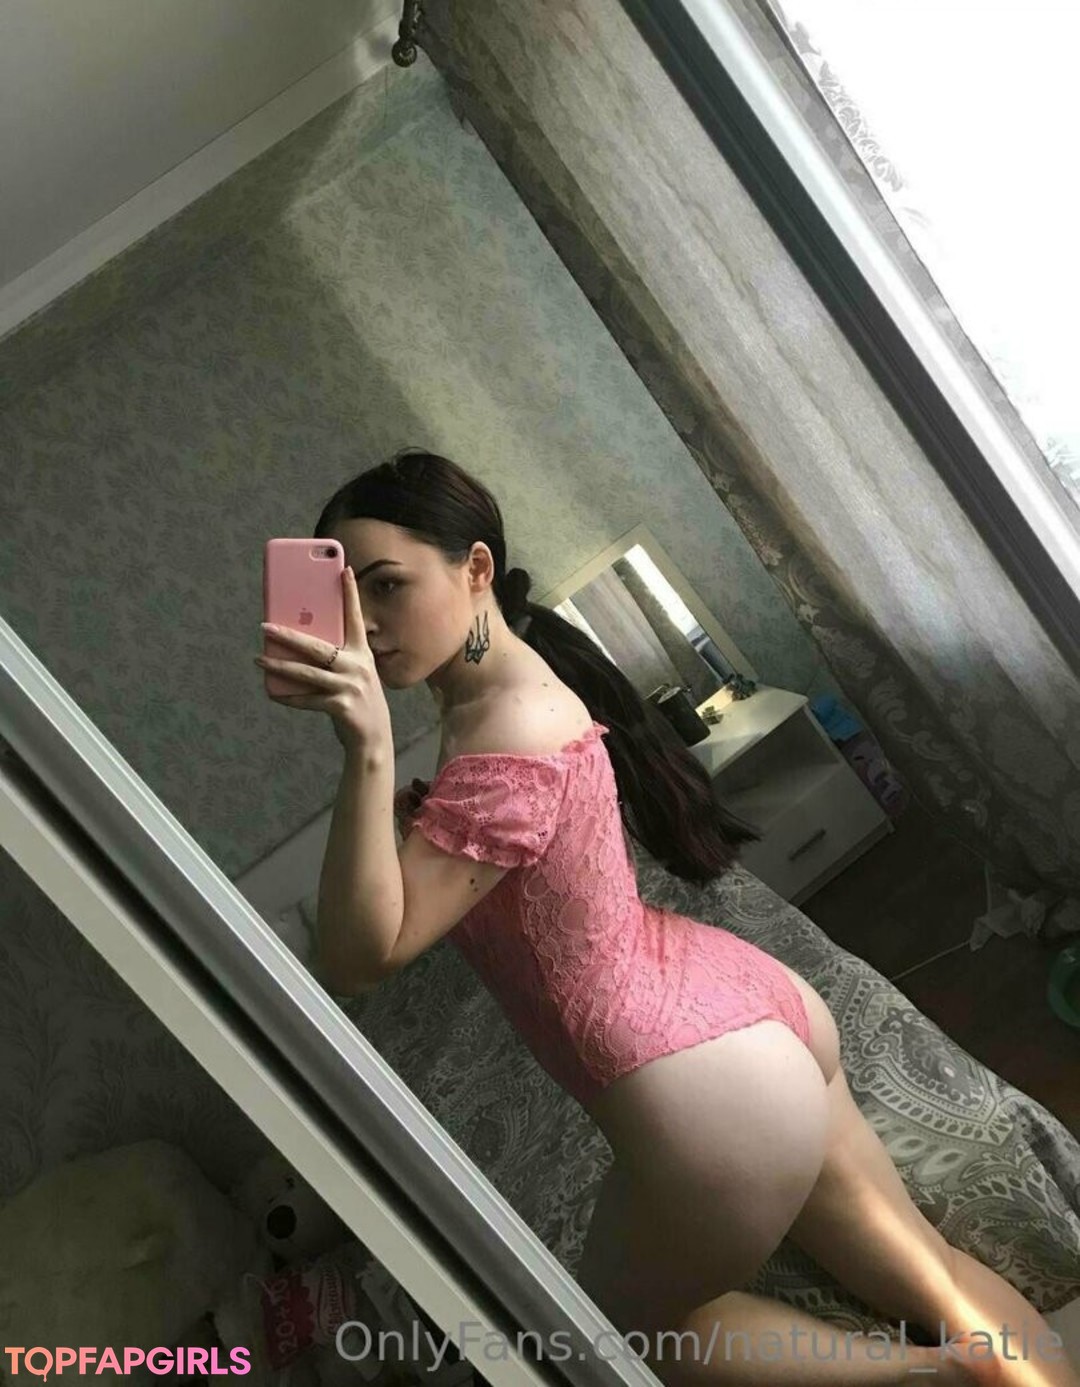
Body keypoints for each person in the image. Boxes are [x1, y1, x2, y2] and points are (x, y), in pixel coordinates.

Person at [256, 448, 1077, 1387]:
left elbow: (359, 957)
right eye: (349, 598)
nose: (368, 625)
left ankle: (928, 1376)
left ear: (475, 567)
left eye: (388, 585)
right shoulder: (499, 691)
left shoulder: (502, 738)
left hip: (700, 1088)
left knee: (622, 1340)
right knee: (933, 1272)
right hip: (744, 1008)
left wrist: (364, 747)